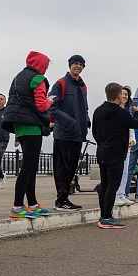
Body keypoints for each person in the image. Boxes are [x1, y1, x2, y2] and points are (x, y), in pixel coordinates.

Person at [1, 52, 53, 219]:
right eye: (46, 65)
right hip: (32, 126)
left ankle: (33, 204)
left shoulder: (18, 77)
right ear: (41, 64)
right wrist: (50, 101)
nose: (46, 68)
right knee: (29, 168)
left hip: (20, 126)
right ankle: (17, 206)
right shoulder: (37, 79)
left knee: (30, 167)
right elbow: (40, 104)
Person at [92, 83, 138, 228]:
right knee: (113, 185)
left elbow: (95, 132)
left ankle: (103, 215)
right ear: (119, 95)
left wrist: (102, 143)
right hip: (116, 154)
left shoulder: (98, 111)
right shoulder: (122, 113)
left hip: (102, 151)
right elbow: (136, 124)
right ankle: (107, 217)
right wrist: (137, 112)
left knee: (105, 184)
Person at [48, 54, 90, 211]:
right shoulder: (60, 83)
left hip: (78, 134)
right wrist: (70, 121)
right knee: (61, 167)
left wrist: (86, 119)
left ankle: (65, 198)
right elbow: (52, 106)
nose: (78, 66)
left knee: (72, 167)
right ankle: (61, 199)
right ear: (70, 65)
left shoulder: (82, 86)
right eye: (75, 64)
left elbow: (84, 107)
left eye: (81, 65)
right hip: (63, 133)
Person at [115, 86, 136, 206]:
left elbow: (131, 129)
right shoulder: (114, 110)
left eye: (126, 95)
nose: (124, 96)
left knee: (125, 171)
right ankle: (115, 194)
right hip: (117, 146)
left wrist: (132, 140)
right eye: (122, 94)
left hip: (126, 147)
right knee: (117, 171)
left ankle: (121, 194)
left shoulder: (128, 112)